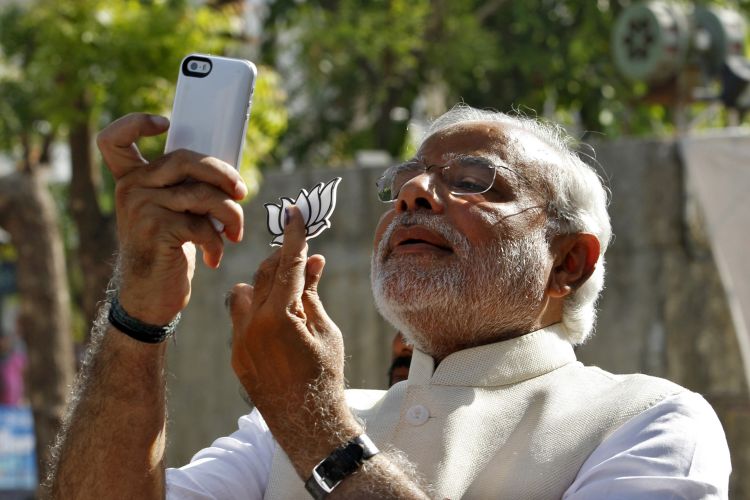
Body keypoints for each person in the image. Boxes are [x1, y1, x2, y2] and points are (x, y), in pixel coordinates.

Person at [46, 105, 731, 499]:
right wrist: (139, 308)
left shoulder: (652, 421)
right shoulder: (276, 434)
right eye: (405, 182)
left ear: (568, 261)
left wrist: (313, 422)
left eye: (474, 180)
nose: (414, 194)